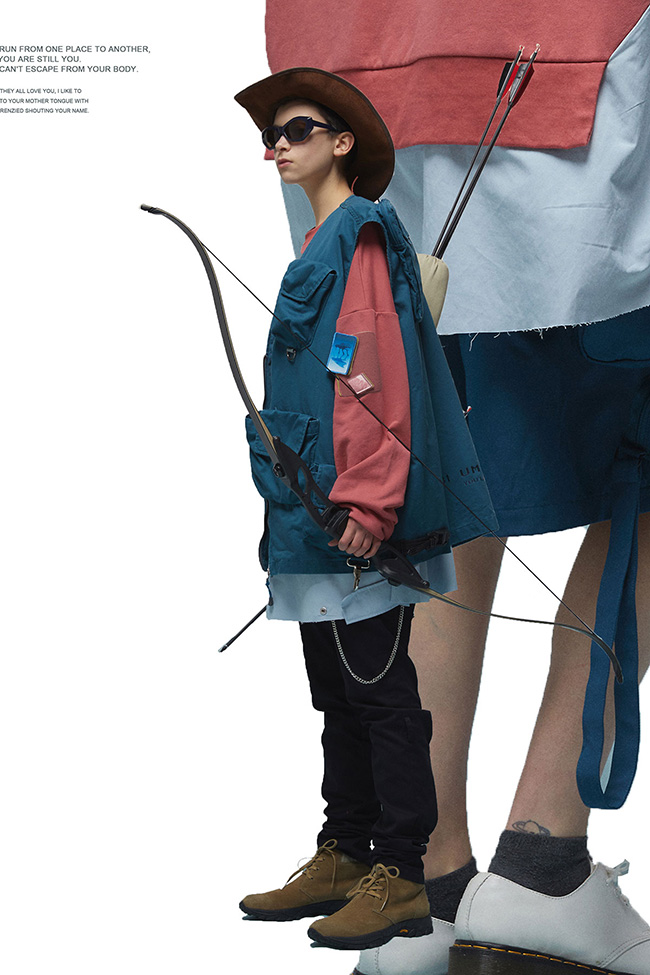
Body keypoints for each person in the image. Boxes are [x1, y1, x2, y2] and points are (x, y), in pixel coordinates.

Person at [232, 66, 496, 952]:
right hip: (311, 515)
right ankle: (346, 850)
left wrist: (374, 503)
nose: (280, 146)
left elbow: (373, 373)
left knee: (382, 692)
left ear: (342, 143)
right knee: (337, 692)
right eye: (272, 135)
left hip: (353, 518)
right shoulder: (319, 243)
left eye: (297, 129)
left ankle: (402, 872)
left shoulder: (362, 237)